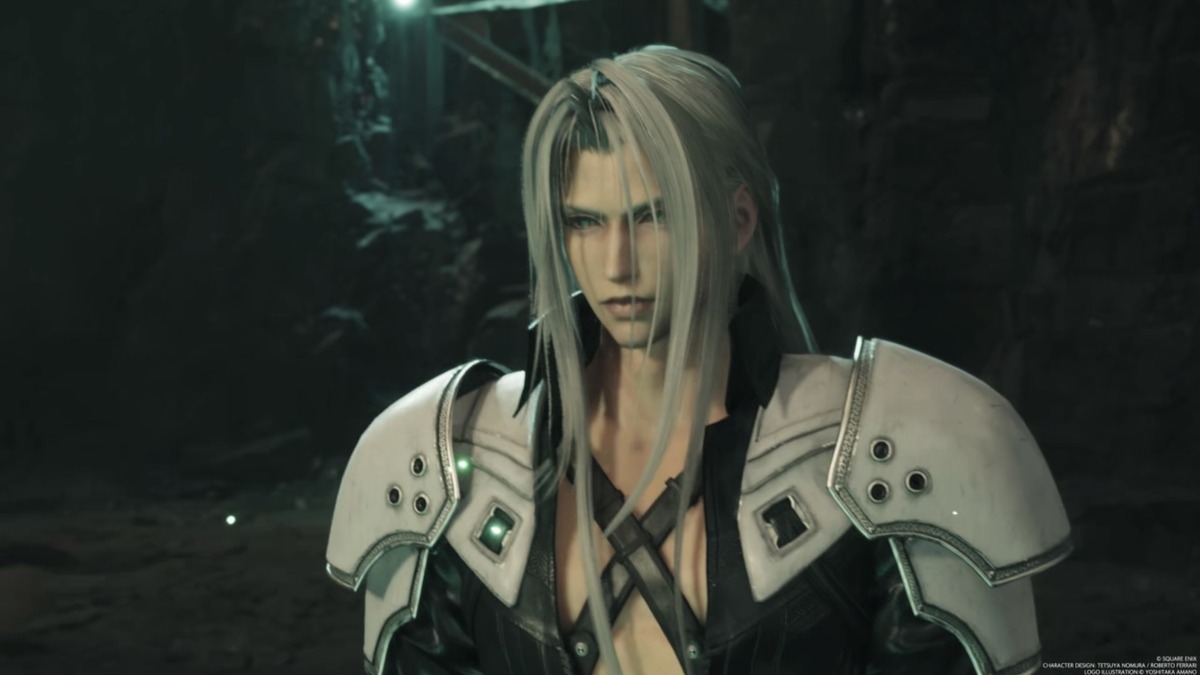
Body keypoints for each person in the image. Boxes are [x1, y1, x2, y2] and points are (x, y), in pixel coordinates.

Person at [325, 46, 1072, 675]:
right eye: (584, 222)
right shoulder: (446, 462)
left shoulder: (893, 449)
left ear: (738, 220)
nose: (615, 265)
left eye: (654, 217)